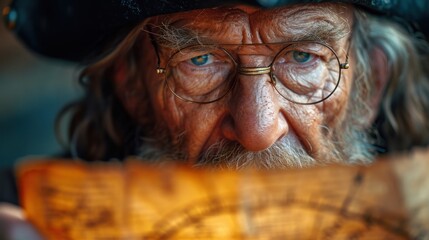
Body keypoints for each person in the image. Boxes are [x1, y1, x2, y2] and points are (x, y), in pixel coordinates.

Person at [1, 0, 429, 239]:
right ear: (132, 85)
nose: (257, 130)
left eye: (304, 57)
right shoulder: (27, 220)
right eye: (201, 60)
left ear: (371, 83)